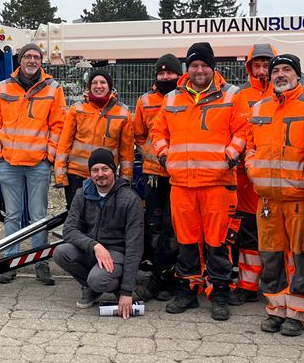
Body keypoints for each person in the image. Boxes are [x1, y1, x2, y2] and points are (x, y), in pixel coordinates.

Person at [150, 41, 246, 321]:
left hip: (218, 183)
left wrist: (229, 157)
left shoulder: (231, 95)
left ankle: (219, 293)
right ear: (187, 68)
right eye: (194, 65)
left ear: (212, 68)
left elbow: (243, 130)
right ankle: (188, 290)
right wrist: (165, 156)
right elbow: (158, 132)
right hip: (182, 184)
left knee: (218, 243)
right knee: (186, 241)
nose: (199, 70)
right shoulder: (172, 99)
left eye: (204, 65)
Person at [244, 53, 304, 336]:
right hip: (267, 199)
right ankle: (276, 310)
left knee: (301, 256)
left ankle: (298, 313)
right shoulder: (259, 108)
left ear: (298, 75)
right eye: (277, 71)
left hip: (300, 197)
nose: (280, 75)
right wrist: (252, 168)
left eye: (287, 70)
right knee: (271, 256)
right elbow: (250, 147)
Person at [0, 42, 67, 285]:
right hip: (8, 164)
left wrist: (48, 156)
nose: (32, 60)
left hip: (38, 165)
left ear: (41, 62)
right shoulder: (2, 88)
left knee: (38, 217)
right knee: (12, 216)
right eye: (27, 56)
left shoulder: (53, 89)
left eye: (36, 57)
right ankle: (10, 263)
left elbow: (58, 126)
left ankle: (40, 263)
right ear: (20, 61)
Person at [54, 148, 144, 318]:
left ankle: (115, 287)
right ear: (90, 173)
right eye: (95, 170)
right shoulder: (82, 194)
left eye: (105, 169)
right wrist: (94, 246)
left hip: (117, 253)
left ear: (114, 171)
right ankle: (90, 288)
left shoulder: (130, 199)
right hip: (93, 250)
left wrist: (127, 291)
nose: (100, 174)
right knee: (61, 253)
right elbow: (69, 230)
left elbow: (135, 246)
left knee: (97, 279)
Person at [133, 54, 182, 302]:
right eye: (161, 74)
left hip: (179, 174)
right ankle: (157, 274)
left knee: (173, 229)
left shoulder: (184, 99)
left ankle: (171, 278)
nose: (165, 77)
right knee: (154, 225)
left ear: (178, 74)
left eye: (170, 73)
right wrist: (149, 154)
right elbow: (139, 134)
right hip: (154, 174)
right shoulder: (145, 101)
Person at [230, 42, 276, 305]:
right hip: (246, 180)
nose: (261, 71)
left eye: (265, 65)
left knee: (274, 236)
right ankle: (247, 286)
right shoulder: (241, 96)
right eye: (256, 65)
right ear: (249, 68)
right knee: (248, 233)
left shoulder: (284, 94)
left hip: (278, 180)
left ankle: (274, 286)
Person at [54, 70, 134, 208]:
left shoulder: (122, 112)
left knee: (103, 218)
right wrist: (61, 175)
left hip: (105, 177)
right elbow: (64, 143)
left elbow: (126, 150)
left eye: (103, 82)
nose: (99, 86)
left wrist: (125, 178)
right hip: (77, 175)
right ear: (89, 87)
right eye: (94, 83)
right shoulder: (76, 109)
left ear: (110, 86)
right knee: (77, 218)